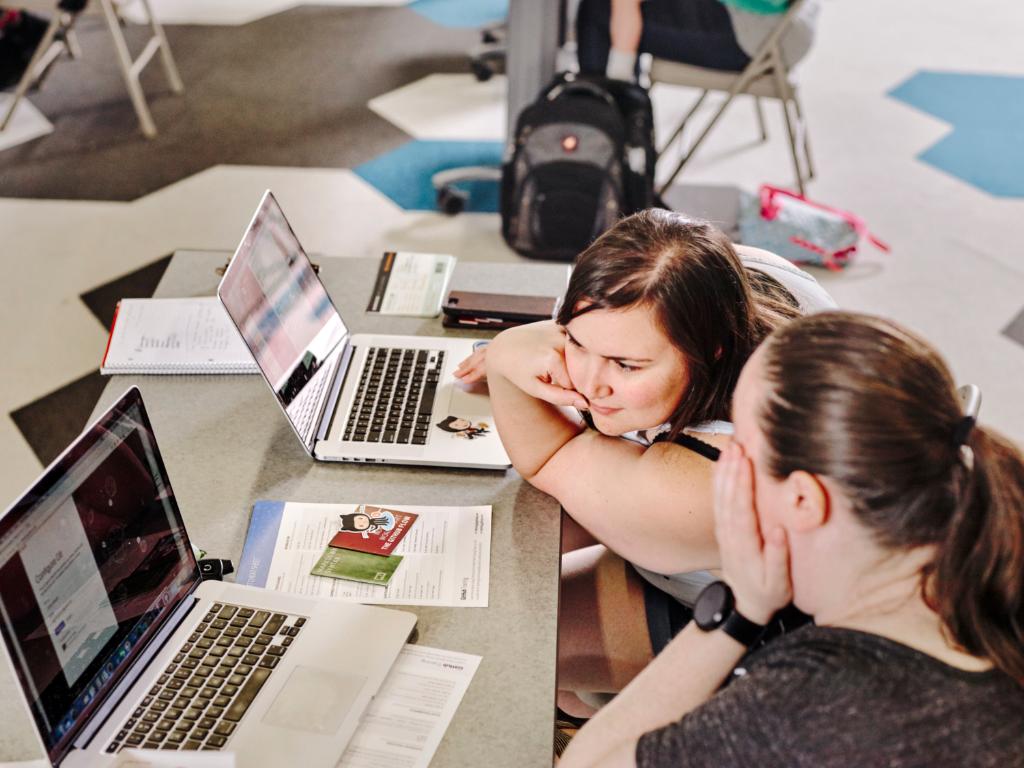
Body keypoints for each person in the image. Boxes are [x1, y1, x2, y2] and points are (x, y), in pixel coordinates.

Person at [559, 311, 1024, 766]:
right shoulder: (986, 583)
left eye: (737, 449)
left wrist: (737, 609)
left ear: (803, 500)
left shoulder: (811, 709)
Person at [476, 208, 835, 714]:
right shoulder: (753, 277)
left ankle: (587, 722)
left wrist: (504, 353)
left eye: (626, 365)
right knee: (496, 550)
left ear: (707, 351)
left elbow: (550, 458)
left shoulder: (714, 479)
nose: (589, 382)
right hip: (729, 561)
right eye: (575, 343)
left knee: (500, 638)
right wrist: (580, 344)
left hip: (782, 650)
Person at [576, 0, 820, 82]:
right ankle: (615, 123)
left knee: (599, 12)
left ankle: (601, 133)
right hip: (767, 21)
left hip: (763, 33)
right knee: (613, 8)